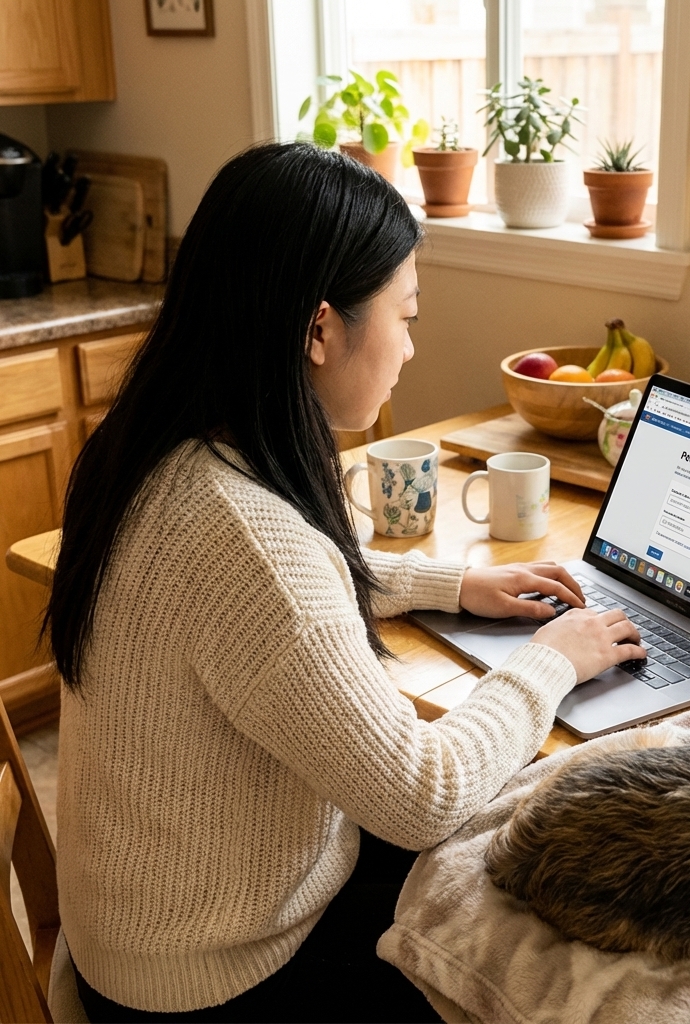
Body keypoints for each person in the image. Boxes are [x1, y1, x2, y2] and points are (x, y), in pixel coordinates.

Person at [46, 143, 645, 1023]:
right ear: (320, 328)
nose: (410, 344)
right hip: (214, 983)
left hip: (152, 935)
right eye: (405, 315)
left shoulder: (162, 448)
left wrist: (452, 584)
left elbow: (283, 601)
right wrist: (552, 660)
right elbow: (422, 794)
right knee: (518, 919)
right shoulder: (247, 538)